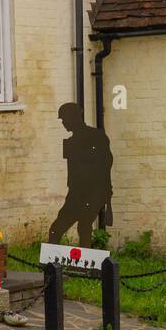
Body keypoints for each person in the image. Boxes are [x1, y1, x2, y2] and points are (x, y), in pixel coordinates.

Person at [47, 102, 114, 246]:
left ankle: (86, 265)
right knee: (56, 229)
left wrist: (106, 194)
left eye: (65, 119)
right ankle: (52, 265)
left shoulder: (97, 136)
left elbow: (106, 163)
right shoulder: (71, 142)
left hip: (94, 192)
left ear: (74, 117)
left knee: (84, 227)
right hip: (76, 193)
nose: (63, 123)